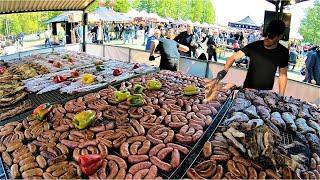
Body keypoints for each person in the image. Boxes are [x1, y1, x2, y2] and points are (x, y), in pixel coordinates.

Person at [209, 20, 289, 96]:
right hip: (247, 89)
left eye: (271, 36)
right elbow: (232, 58)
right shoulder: (254, 46)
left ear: (279, 37)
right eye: (265, 34)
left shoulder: (283, 52)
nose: (267, 38)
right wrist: (224, 71)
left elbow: (283, 75)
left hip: (265, 93)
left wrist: (281, 96)